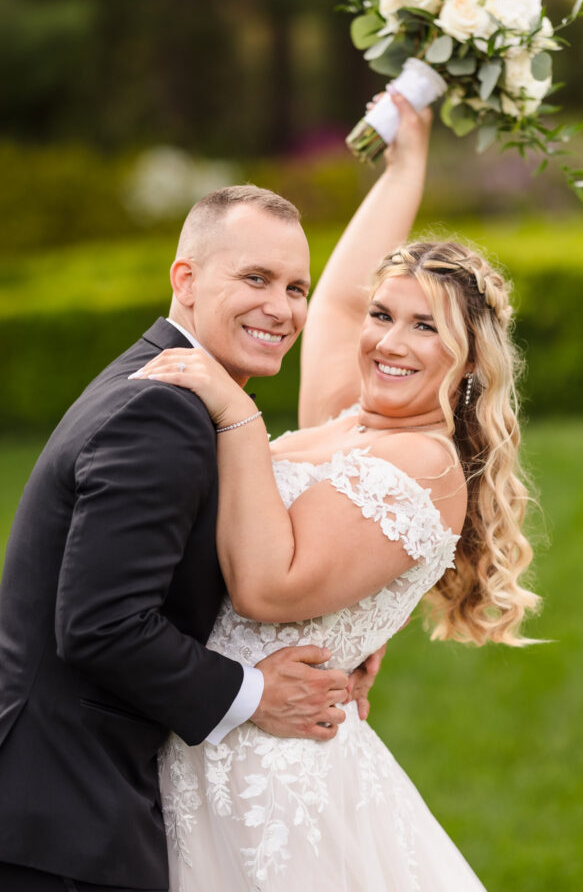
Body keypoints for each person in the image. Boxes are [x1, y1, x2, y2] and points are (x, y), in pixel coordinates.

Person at [136, 92, 540, 891]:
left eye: (426, 328)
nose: (389, 341)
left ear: (466, 363)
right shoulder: (345, 420)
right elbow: (339, 296)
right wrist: (406, 163)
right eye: (384, 316)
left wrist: (234, 410)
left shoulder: (424, 465)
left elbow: (267, 587)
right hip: (201, 733)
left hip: (273, 772)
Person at [0, 170, 386, 890]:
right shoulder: (165, 409)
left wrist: (349, 624)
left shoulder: (182, 395)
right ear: (186, 278)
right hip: (60, 814)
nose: (281, 308)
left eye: (296, 288)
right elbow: (101, 624)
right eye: (256, 278)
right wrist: (255, 693)